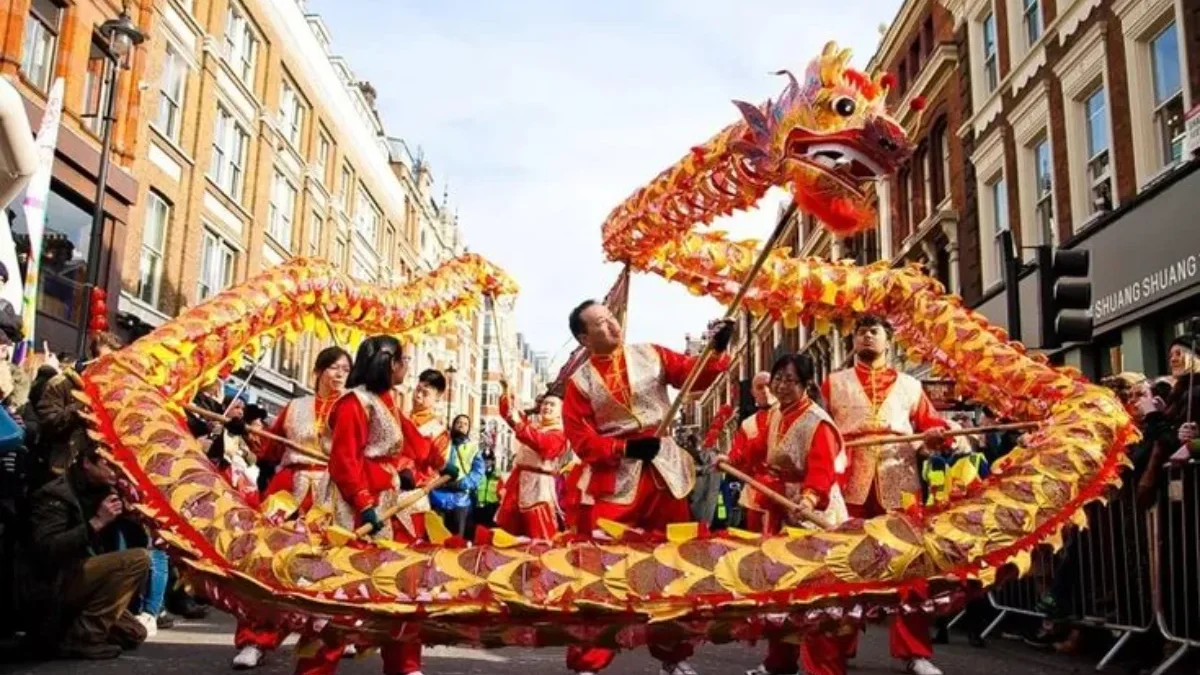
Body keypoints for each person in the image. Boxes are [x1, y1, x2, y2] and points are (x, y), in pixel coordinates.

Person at [562, 299, 733, 675]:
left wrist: (717, 348)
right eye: (600, 325)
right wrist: (624, 447)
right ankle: (589, 661)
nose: (611, 327)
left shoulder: (650, 354)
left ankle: (672, 655)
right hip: (616, 480)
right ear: (582, 337)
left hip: (665, 474)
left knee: (673, 562)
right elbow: (581, 439)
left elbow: (694, 377)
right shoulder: (580, 383)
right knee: (602, 568)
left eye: (611, 320)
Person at [303, 336, 454, 675]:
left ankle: (405, 665)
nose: (407, 368)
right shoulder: (354, 403)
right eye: (403, 360)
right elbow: (344, 462)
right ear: (389, 363)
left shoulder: (386, 401)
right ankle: (316, 669)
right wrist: (363, 502)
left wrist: (439, 461)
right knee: (340, 589)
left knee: (401, 584)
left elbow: (412, 438)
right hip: (353, 508)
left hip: (389, 503)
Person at [820, 315, 949, 675]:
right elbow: (817, 429)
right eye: (859, 331)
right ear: (853, 342)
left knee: (909, 565)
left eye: (873, 331)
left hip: (900, 483)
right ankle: (838, 645)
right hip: (850, 490)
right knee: (845, 566)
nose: (865, 336)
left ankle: (914, 652)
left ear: (888, 341)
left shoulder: (911, 385)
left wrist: (937, 435)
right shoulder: (834, 383)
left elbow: (932, 424)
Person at [718, 353, 848, 675]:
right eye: (778, 379)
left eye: (790, 381)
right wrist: (732, 459)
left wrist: (808, 499)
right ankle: (779, 662)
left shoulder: (818, 422)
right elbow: (758, 450)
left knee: (816, 597)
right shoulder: (777, 413)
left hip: (814, 516)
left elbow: (822, 470)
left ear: (805, 385)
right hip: (781, 511)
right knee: (780, 591)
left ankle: (824, 668)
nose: (782, 386)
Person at [231, 346, 351, 670]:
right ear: (319, 370)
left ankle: (331, 635)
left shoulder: (353, 408)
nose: (340, 374)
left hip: (330, 493)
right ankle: (255, 639)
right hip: (289, 489)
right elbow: (269, 447)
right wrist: (243, 432)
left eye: (345, 369)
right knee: (267, 560)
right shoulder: (295, 406)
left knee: (325, 567)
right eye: (334, 368)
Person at [27, 446, 150, 659]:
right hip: (52, 582)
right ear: (86, 463)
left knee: (134, 634)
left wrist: (134, 517)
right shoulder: (54, 494)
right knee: (137, 560)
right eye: (108, 465)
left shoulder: (105, 492)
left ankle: (65, 632)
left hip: (81, 575)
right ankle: (83, 638)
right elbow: (47, 549)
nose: (115, 471)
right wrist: (96, 523)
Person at [495, 382, 567, 538]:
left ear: (560, 412)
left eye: (552, 405)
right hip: (519, 482)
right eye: (545, 404)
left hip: (539, 486)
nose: (546, 407)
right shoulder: (534, 427)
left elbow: (543, 445)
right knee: (511, 532)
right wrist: (507, 391)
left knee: (539, 531)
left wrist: (520, 425)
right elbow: (511, 415)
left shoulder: (559, 433)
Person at [430, 412, 483, 539]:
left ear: (468, 429)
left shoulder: (473, 448)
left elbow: (478, 472)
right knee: (435, 539)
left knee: (457, 541)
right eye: (459, 423)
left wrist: (463, 483)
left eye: (465, 424)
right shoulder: (442, 443)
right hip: (437, 496)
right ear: (453, 425)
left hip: (460, 499)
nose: (461, 426)